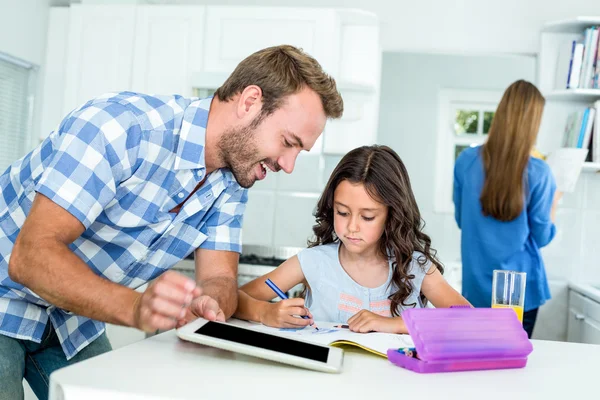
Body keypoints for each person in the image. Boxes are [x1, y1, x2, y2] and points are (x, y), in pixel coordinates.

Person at [0, 44, 343, 399]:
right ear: (249, 102)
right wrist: (135, 307)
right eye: (288, 143)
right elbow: (30, 257)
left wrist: (209, 303)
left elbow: (218, 278)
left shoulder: (231, 180)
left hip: (68, 316)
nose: (287, 165)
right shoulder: (121, 128)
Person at [235, 145, 470, 333]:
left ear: (392, 215)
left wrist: (392, 324)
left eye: (367, 217)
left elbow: (467, 318)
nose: (351, 227)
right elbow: (233, 298)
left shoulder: (415, 267)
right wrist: (264, 312)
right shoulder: (312, 262)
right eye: (343, 213)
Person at [453, 79, 561, 338]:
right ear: (533, 123)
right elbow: (543, 236)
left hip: (476, 288)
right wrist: (555, 201)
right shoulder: (539, 172)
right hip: (522, 291)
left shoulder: (466, 161)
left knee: (477, 368)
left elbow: (461, 220)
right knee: (511, 370)